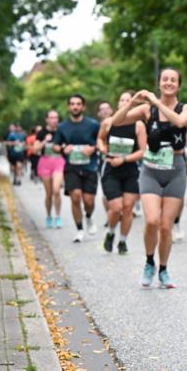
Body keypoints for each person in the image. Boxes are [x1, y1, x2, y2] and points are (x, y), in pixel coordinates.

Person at [111, 68, 187, 288]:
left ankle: (164, 269)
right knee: (151, 221)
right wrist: (132, 103)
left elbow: (179, 123)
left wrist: (157, 102)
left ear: (178, 84)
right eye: (165, 79)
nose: (169, 83)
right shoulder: (146, 109)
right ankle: (149, 262)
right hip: (151, 169)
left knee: (166, 226)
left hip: (175, 169)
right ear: (159, 83)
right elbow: (115, 121)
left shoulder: (185, 108)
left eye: (173, 80)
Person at [98, 92, 147, 255]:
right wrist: (103, 148)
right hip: (111, 169)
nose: (125, 103)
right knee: (116, 207)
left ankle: (122, 241)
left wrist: (124, 159)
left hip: (130, 170)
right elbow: (100, 139)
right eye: (122, 100)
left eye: (128, 100)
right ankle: (111, 232)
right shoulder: (108, 122)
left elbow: (142, 151)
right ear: (118, 104)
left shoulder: (138, 125)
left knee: (127, 208)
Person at [54, 94, 101, 242]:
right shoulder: (62, 127)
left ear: (83, 107)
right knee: (75, 197)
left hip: (90, 166)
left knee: (88, 201)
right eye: (72, 104)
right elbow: (55, 145)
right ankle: (80, 229)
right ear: (69, 107)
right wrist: (63, 148)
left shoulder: (93, 125)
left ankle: (88, 216)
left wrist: (93, 148)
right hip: (71, 167)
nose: (75, 106)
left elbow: (101, 142)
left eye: (78, 104)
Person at [35, 110, 65, 228]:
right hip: (45, 162)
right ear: (47, 119)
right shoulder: (41, 132)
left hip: (58, 161)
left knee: (56, 190)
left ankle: (58, 216)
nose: (54, 120)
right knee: (49, 194)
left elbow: (67, 144)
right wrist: (44, 141)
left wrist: (62, 146)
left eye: (56, 118)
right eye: (51, 118)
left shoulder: (61, 131)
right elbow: (35, 149)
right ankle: (49, 215)